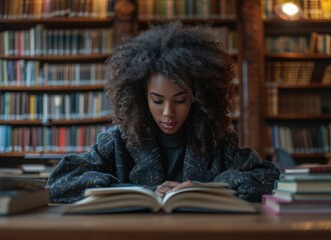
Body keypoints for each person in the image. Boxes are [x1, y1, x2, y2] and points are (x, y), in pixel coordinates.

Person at [46, 22, 280, 203]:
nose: (168, 113)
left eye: (180, 100)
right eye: (157, 100)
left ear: (197, 100)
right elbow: (60, 183)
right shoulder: (118, 142)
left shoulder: (218, 143)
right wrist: (138, 191)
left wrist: (211, 187)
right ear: (141, 97)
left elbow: (271, 180)